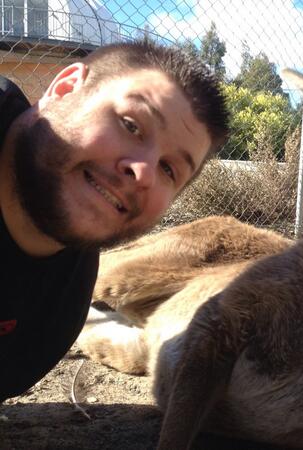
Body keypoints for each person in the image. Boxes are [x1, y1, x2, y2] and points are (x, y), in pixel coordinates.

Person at [0, 39, 229, 401]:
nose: (144, 172)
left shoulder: (60, 311)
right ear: (64, 88)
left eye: (168, 169)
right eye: (130, 125)